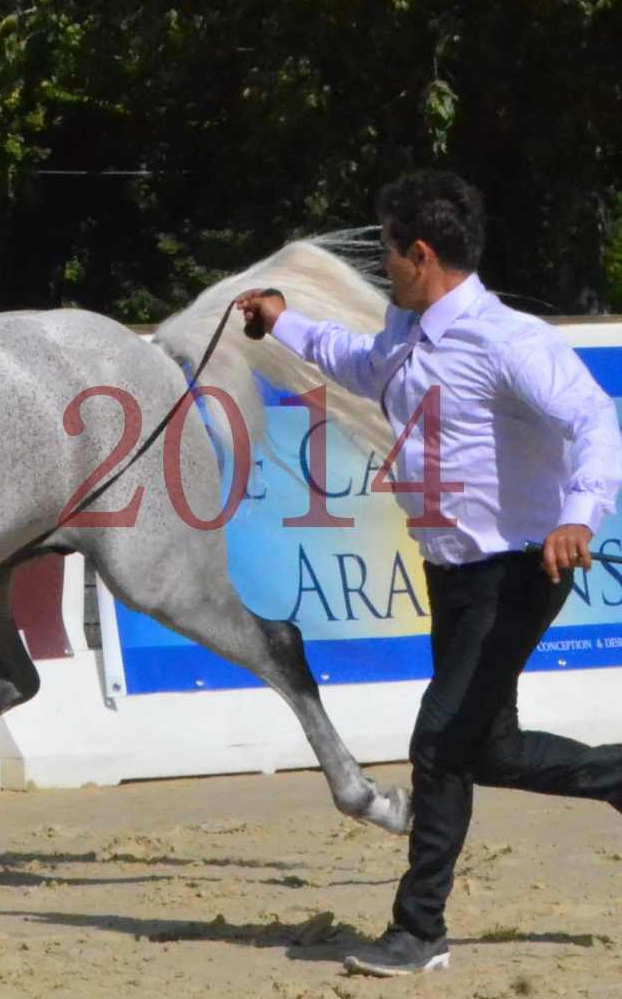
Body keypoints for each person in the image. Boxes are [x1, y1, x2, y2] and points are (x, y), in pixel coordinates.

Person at [236, 169, 622, 977]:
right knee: (491, 748)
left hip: (516, 569)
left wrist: (579, 514)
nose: (383, 268)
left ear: (421, 253)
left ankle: (418, 931)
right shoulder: (403, 335)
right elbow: (349, 360)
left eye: (387, 253)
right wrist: (281, 324)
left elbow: (594, 420)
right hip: (451, 573)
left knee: (439, 745)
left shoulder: (506, 341)